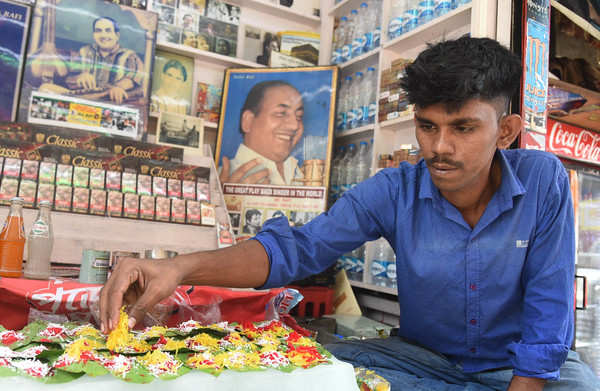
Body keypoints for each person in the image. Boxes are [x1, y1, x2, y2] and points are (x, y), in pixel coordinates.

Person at [99, 36, 600, 390]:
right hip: (424, 362)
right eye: (427, 126)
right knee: (308, 364)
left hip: (524, 371)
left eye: (464, 128)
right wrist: (178, 267)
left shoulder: (543, 181)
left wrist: (524, 386)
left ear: (506, 131)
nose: (439, 148)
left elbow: (548, 314)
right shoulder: (393, 190)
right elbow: (294, 250)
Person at [218, 80, 305, 186]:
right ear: (248, 121)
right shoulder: (218, 179)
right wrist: (223, 200)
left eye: (299, 116)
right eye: (281, 113)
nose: (294, 125)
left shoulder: (304, 176)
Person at [52, 17, 145, 105]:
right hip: (83, 98)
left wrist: (118, 88)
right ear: (94, 35)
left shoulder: (130, 56)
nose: (103, 35)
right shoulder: (84, 51)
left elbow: (133, 80)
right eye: (98, 31)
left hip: (110, 100)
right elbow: (68, 79)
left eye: (108, 31)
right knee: (45, 88)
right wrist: (79, 77)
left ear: (117, 35)